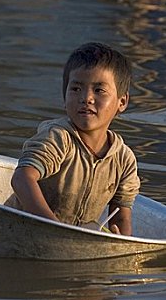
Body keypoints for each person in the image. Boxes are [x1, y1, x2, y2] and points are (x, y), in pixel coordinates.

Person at [8, 42, 140, 235]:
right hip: (20, 231)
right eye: (76, 89)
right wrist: (52, 228)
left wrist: (121, 245)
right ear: (64, 97)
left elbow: (121, 215)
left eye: (99, 90)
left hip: (73, 242)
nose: (86, 98)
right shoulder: (58, 138)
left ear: (122, 102)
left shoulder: (124, 160)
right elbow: (22, 178)